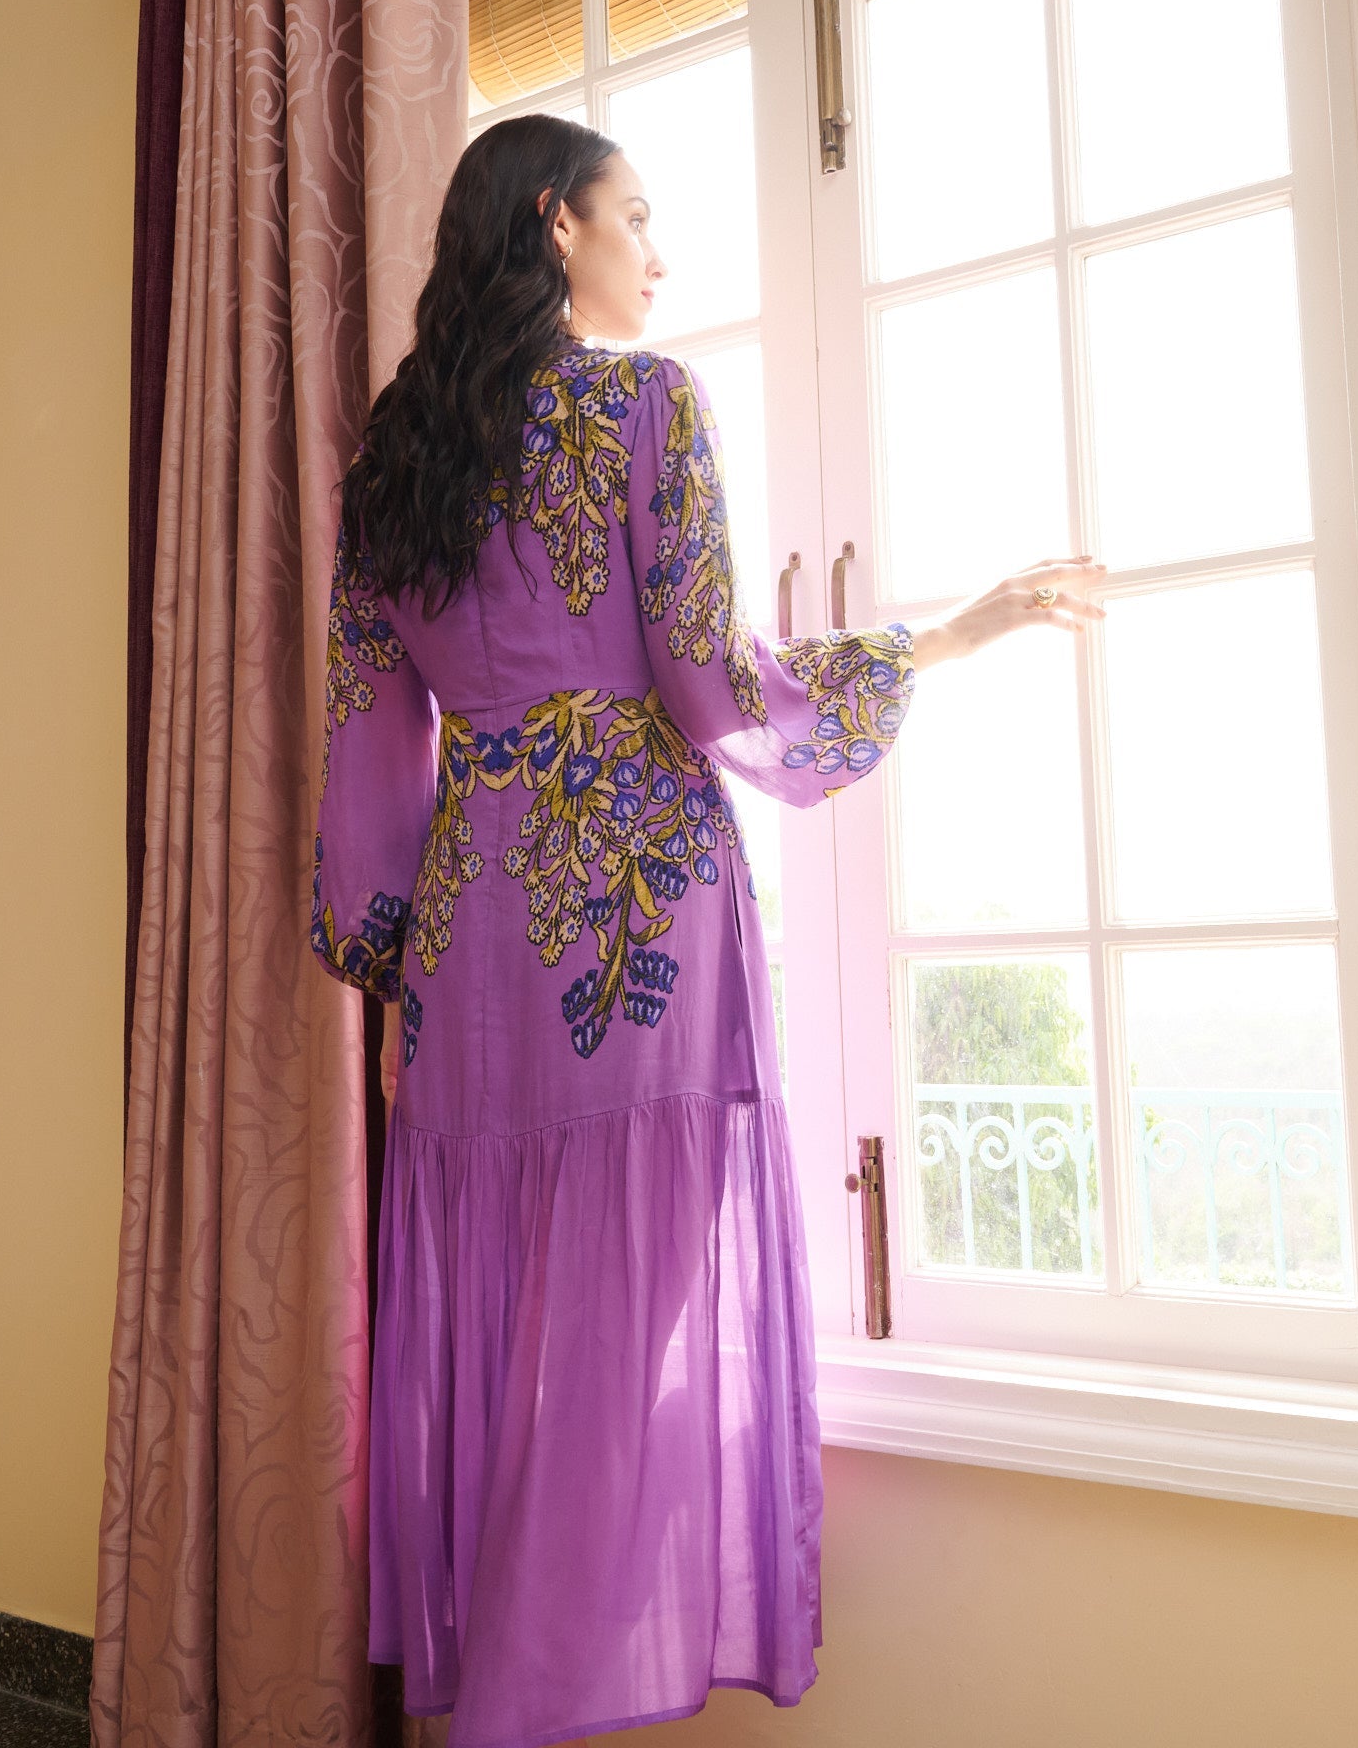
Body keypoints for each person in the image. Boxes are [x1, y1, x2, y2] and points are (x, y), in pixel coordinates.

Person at [311, 112, 1102, 1747]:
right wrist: (937, 641)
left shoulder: (391, 467)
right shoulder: (649, 406)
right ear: (553, 226)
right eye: (638, 217)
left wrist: (384, 964)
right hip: (637, 914)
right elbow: (710, 686)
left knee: (515, 1338)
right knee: (615, 1347)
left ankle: (503, 1694)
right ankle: (523, 1705)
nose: (658, 255)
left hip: (469, 938)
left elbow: (366, 753)